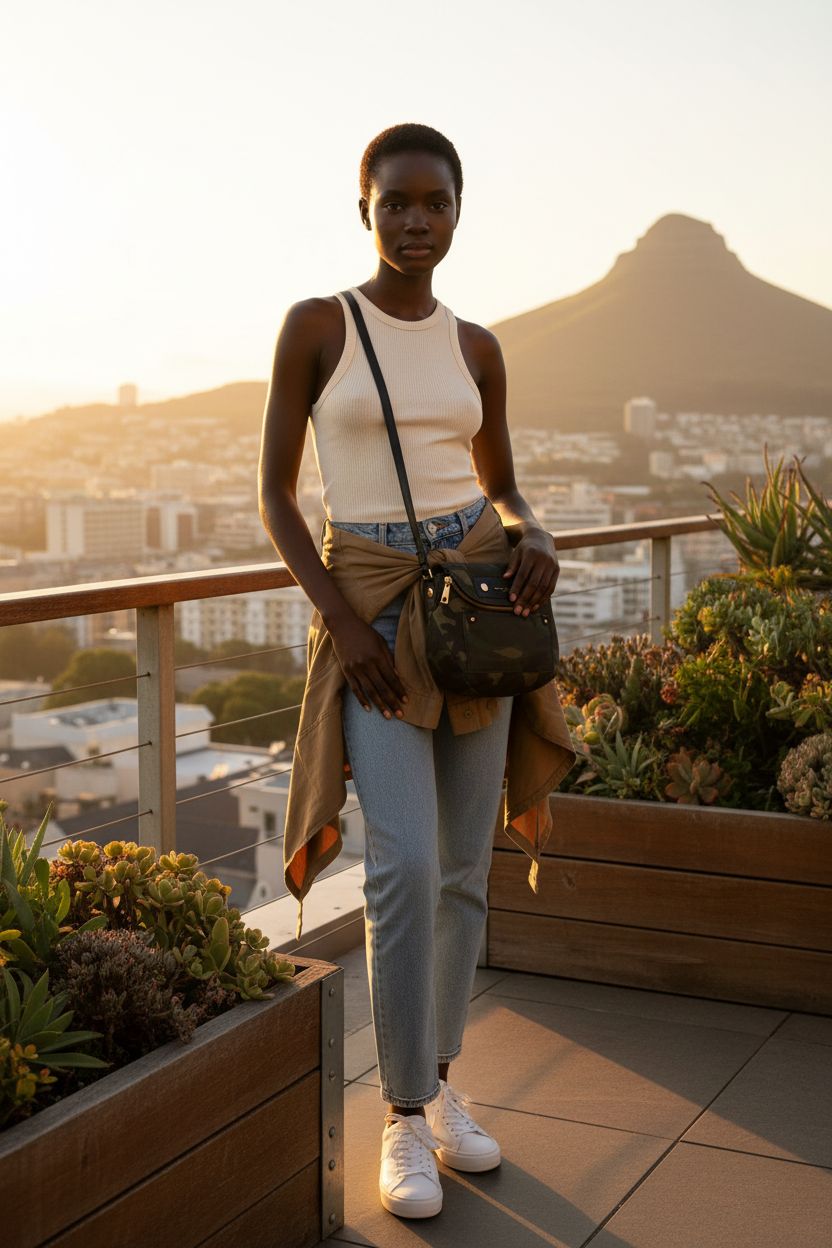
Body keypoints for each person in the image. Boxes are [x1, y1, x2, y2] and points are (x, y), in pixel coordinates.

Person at [258, 123, 566, 1221]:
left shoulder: (476, 346)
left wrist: (533, 532)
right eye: (394, 202)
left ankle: (440, 1084)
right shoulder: (315, 327)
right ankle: (398, 1116)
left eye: (433, 201)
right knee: (397, 869)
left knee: (459, 874)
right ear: (363, 209)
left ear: (458, 210)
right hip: (375, 612)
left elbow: (508, 485)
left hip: (474, 601)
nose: (414, 220)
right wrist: (342, 628)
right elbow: (276, 498)